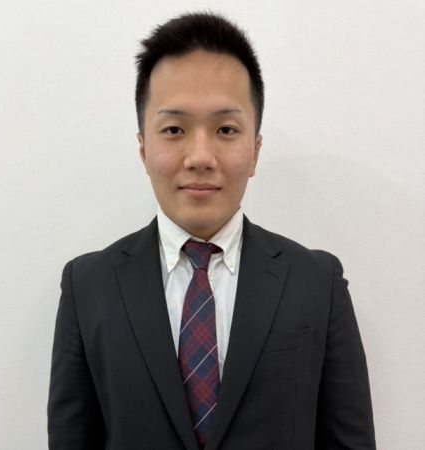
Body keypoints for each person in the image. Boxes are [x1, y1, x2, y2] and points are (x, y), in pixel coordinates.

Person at [47, 12, 376, 450]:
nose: (200, 156)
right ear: (144, 148)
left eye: (225, 129)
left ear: (254, 150)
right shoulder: (88, 286)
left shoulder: (317, 282)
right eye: (174, 129)